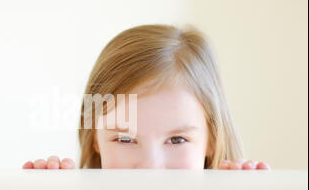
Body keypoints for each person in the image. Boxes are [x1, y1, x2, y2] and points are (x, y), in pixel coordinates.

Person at [23, 24, 271, 170]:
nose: (151, 168)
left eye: (176, 140)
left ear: (212, 141)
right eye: (124, 139)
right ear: (94, 141)